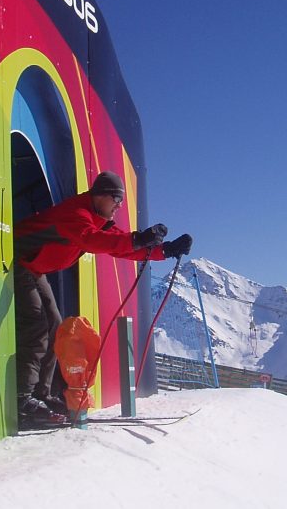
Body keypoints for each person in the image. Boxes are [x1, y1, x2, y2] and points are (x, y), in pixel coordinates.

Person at [13, 170, 192, 424]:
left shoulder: (96, 219)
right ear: (100, 196)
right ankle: (22, 398)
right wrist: (138, 239)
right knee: (38, 326)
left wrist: (164, 250)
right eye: (116, 199)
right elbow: (96, 240)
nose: (119, 205)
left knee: (54, 327)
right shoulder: (77, 215)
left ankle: (40, 394)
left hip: (34, 268)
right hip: (19, 262)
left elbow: (119, 244)